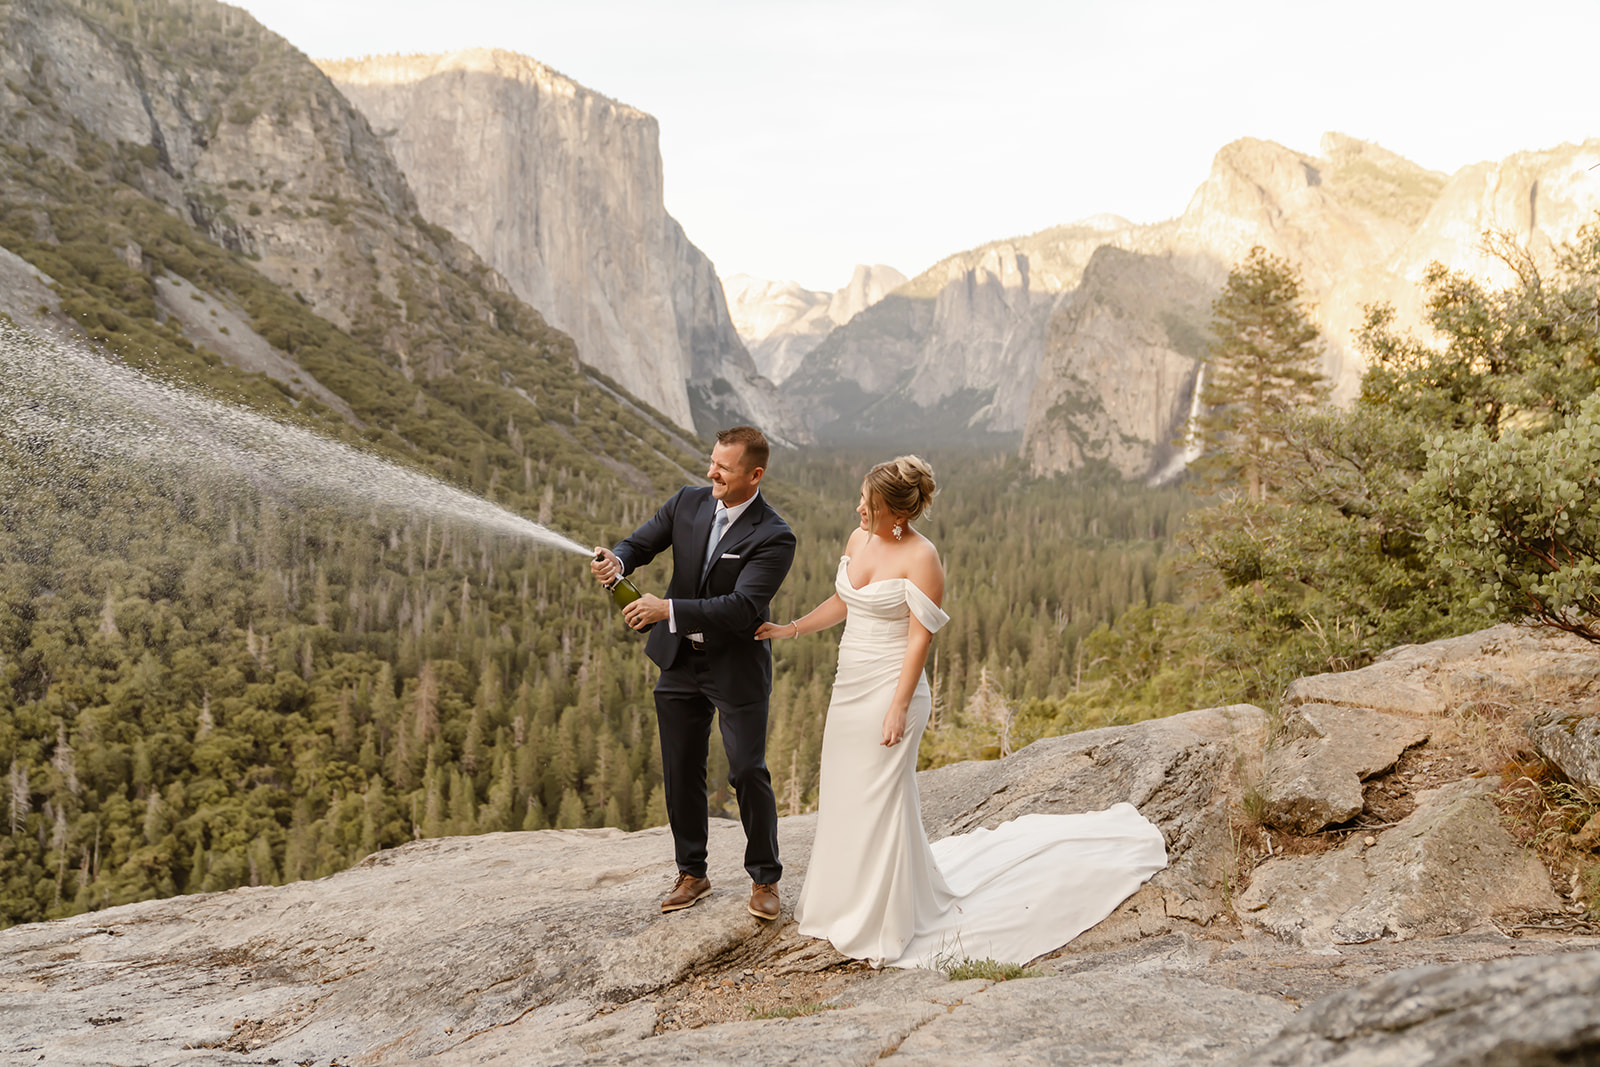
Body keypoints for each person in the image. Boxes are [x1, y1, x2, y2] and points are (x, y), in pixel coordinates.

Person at [757, 456, 1167, 968]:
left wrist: (898, 708)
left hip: (893, 690)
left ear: (898, 516)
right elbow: (847, 601)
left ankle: (880, 921)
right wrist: (789, 628)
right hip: (850, 688)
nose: (859, 507)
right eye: (863, 498)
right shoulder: (858, 539)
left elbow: (918, 640)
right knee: (847, 795)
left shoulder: (922, 558)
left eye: (872, 504)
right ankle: (844, 903)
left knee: (881, 800)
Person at [592, 426, 796, 921]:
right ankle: (692, 872)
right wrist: (618, 558)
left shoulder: (774, 535)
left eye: (723, 468)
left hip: (736, 665)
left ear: (755, 474)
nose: (711, 474)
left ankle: (765, 878)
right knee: (680, 766)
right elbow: (642, 542)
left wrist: (667, 610)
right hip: (680, 660)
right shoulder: (687, 501)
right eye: (711, 462)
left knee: (748, 769)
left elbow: (743, 607)